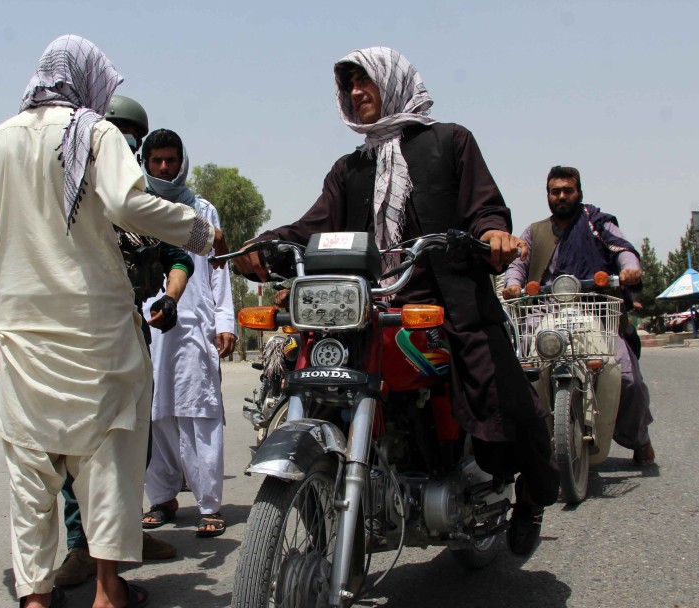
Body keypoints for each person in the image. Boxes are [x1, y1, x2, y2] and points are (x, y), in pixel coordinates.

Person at [0, 35, 225, 608]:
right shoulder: (96, 134)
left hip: (22, 330)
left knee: (30, 461)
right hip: (96, 327)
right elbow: (126, 201)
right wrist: (195, 230)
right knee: (108, 455)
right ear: (89, 81)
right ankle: (109, 589)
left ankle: (35, 593)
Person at [232, 46, 559, 557]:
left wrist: (494, 233)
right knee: (315, 382)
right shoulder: (350, 168)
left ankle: (532, 498)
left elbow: (483, 208)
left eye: (367, 81)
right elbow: (313, 226)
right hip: (369, 310)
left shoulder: (450, 142)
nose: (357, 93)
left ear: (394, 81)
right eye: (350, 86)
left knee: (506, 406)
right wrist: (264, 247)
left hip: (447, 307)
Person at [53, 97, 189, 589]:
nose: (123, 138)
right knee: (78, 444)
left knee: (136, 441)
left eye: (132, 131)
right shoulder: (66, 195)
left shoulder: (142, 199)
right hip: (76, 334)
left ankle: (126, 533)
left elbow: (178, 254)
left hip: (130, 330)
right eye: (115, 128)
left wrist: (171, 297)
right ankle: (80, 546)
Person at [502, 166, 656, 467]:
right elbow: (517, 265)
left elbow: (623, 250)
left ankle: (640, 438)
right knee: (521, 371)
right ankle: (529, 445)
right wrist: (513, 285)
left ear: (579, 192)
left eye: (567, 190)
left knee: (626, 377)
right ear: (547, 195)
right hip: (546, 309)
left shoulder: (598, 223)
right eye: (555, 191)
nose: (561, 196)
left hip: (595, 306)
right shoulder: (534, 232)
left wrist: (629, 268)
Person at [137, 129, 237, 538]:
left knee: (201, 415)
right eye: (156, 160)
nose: (164, 168)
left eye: (170, 160)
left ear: (182, 162)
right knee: (155, 415)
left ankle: (209, 504)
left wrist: (225, 320)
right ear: (145, 162)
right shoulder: (135, 207)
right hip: (147, 323)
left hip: (196, 325)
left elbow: (219, 269)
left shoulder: (201, 209)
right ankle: (161, 499)